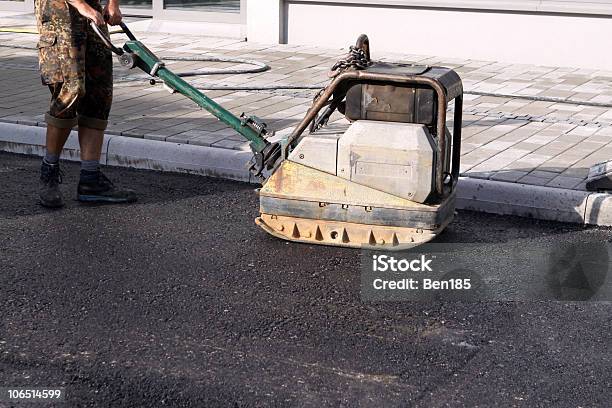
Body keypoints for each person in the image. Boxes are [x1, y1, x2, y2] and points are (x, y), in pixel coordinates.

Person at [35, 0, 136, 207]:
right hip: (60, 14)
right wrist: (80, 4)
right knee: (69, 92)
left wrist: (112, 3)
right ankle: (49, 172)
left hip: (93, 13)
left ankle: (91, 180)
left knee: (99, 94)